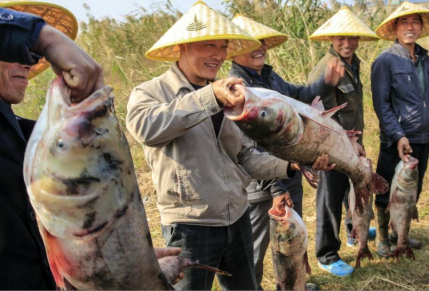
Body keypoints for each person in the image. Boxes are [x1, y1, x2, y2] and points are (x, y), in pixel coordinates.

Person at [126, 2, 330, 290]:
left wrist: (291, 164)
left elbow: (245, 156)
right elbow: (146, 129)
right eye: (209, 45)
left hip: (237, 217)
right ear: (183, 46)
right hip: (190, 225)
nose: (218, 55)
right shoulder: (151, 93)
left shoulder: (232, 96)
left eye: (222, 47)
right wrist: (210, 96)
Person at [228, 14, 341, 289]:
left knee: (291, 241)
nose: (261, 47)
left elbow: (300, 96)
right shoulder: (235, 87)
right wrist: (276, 187)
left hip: (291, 168)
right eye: (252, 42)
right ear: (234, 48)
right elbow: (249, 145)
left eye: (263, 41)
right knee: (255, 249)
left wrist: (325, 83)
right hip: (263, 184)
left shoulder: (268, 75)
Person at [0, 2, 102, 289]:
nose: (28, 61)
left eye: (32, 54)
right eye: (13, 50)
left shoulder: (27, 133)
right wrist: (45, 37)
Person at [307, 6, 379, 276]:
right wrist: (347, 143)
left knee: (356, 187)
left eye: (351, 38)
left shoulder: (354, 63)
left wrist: (357, 141)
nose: (347, 43)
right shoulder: (326, 69)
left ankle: (353, 231)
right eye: (340, 38)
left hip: (354, 142)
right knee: (330, 197)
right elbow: (322, 117)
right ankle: (326, 254)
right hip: (333, 146)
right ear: (331, 39)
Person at [371, 1, 429, 257]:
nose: (410, 27)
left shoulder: (424, 58)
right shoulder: (385, 60)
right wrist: (398, 134)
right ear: (395, 28)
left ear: (421, 27)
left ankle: (400, 232)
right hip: (397, 139)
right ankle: (382, 237)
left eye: (415, 22)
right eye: (404, 23)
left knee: (413, 188)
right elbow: (382, 104)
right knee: (386, 187)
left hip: (423, 136)